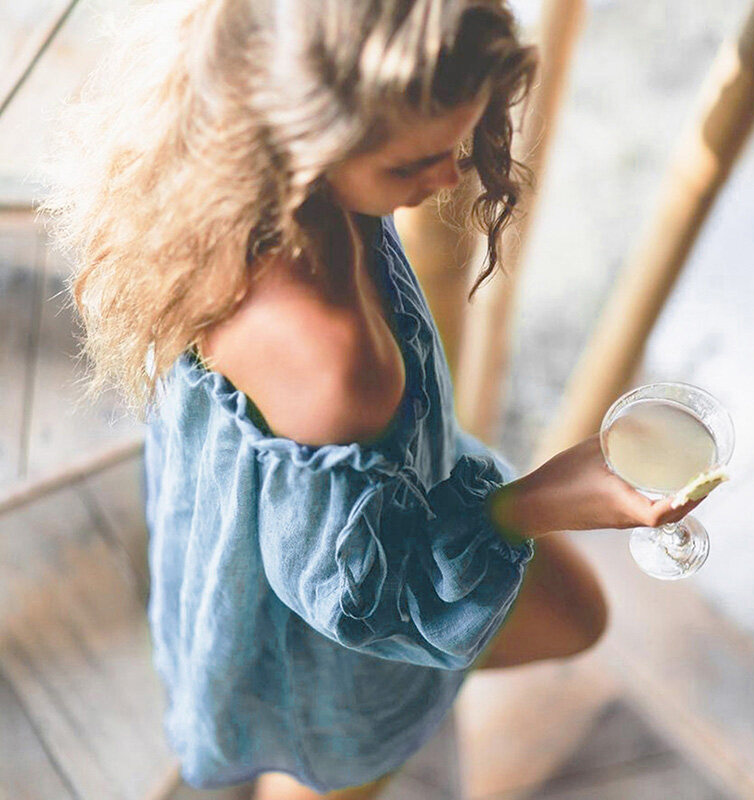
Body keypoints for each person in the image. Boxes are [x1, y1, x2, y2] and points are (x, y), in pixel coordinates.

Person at [37, 1, 709, 798]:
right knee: (344, 760)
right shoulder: (336, 358)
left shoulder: (227, 184)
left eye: (461, 137)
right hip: (329, 644)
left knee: (570, 616)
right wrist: (542, 500)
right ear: (309, 135)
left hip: (291, 524)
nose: (451, 176)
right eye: (411, 164)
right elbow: (362, 599)